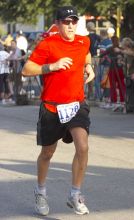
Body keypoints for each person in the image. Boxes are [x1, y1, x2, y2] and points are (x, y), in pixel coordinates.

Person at [22, 5, 95, 216]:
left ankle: (75, 194)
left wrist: (89, 67)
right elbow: (27, 69)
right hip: (51, 107)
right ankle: (41, 191)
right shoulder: (48, 44)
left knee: (83, 146)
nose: (71, 25)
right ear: (58, 23)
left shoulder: (84, 41)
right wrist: (51, 66)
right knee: (47, 152)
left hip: (75, 105)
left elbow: (87, 54)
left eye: (74, 21)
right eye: (67, 22)